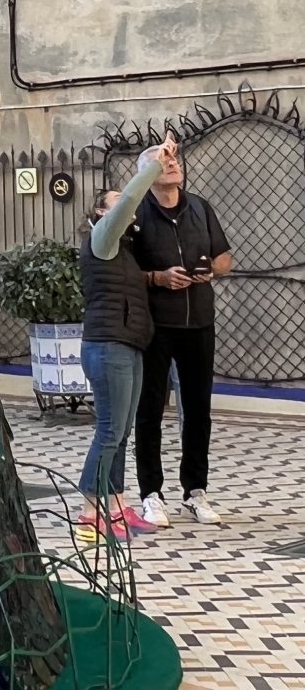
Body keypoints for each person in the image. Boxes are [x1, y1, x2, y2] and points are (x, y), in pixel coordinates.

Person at [132, 139, 233, 526]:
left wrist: (210, 271)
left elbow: (224, 258)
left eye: (175, 159)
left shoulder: (200, 208)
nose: (173, 164)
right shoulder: (137, 214)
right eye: (164, 160)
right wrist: (158, 277)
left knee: (198, 410)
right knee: (150, 411)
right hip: (156, 326)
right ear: (148, 173)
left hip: (199, 323)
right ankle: (151, 494)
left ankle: (195, 491)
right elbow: (122, 271)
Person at [76, 140, 173, 541]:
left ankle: (115, 506)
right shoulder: (102, 238)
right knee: (109, 430)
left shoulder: (123, 251)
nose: (126, 206)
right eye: (115, 202)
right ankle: (89, 513)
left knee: (121, 431)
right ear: (102, 213)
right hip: (107, 345)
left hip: (128, 345)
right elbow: (132, 197)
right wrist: (153, 166)